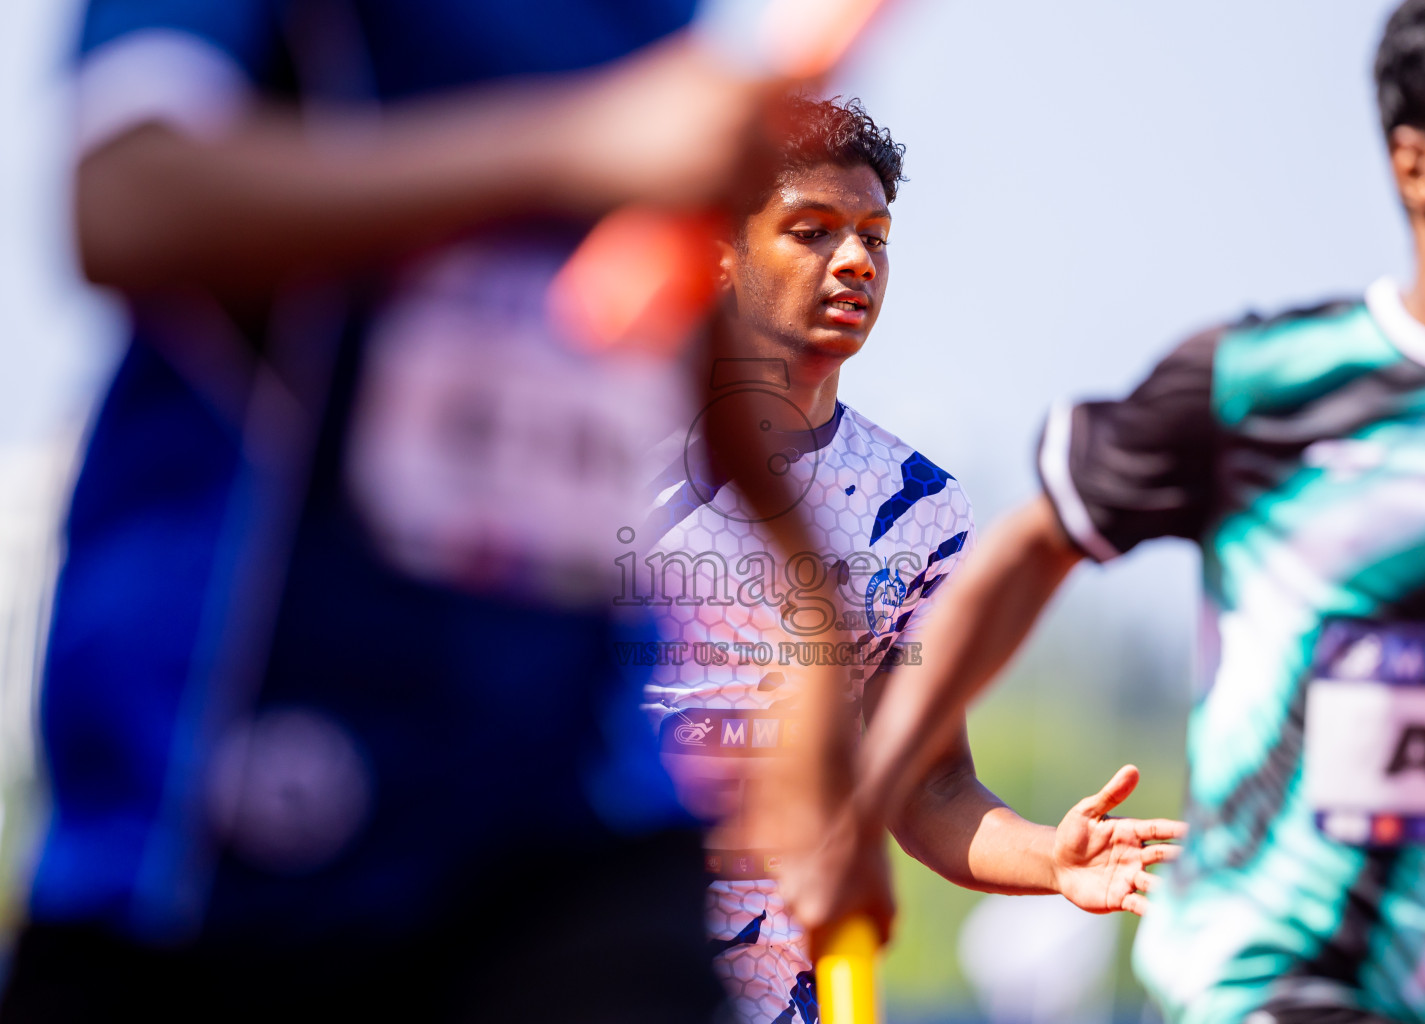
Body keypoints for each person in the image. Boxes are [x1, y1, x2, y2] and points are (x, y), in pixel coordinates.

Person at [1, 3, 879, 1021]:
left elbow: (671, 319)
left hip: (561, 811)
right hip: (211, 849)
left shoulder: (649, 17)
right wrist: (568, 143)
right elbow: (125, 196)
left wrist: (813, 600)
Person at [850, 1, 1425, 1021]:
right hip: (1282, 979)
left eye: (871, 236)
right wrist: (855, 817)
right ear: (1417, 164)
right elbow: (1034, 548)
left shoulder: (903, 501)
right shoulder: (1262, 385)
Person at [638, 96, 1184, 1024]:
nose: (855, 262)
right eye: (812, 232)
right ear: (721, 255)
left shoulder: (918, 505)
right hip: (609, 961)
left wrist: (1052, 857)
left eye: (875, 237)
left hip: (802, 994)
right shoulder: (615, 455)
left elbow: (927, 781)